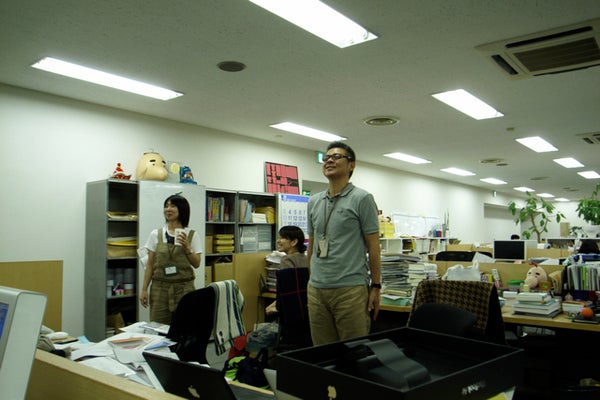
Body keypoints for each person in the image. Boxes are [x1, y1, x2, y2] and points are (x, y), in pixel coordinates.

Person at [306, 141, 381, 345]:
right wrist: (311, 279)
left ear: (351, 165)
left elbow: (374, 247)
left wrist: (376, 286)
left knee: (354, 351)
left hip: (350, 289)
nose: (329, 160)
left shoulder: (362, 198)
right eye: (326, 157)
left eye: (336, 156)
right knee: (322, 352)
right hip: (316, 290)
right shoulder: (314, 201)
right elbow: (312, 244)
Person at [140, 194, 202, 324]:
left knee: (184, 327)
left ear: (182, 209)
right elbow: (150, 265)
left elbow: (197, 264)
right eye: (166, 206)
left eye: (173, 206)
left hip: (184, 289)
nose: (168, 209)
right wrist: (144, 289)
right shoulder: (155, 234)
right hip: (159, 289)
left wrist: (187, 247)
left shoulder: (191, 235)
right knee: (158, 326)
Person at [265, 225, 308, 314]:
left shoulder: (287, 260)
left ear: (294, 242)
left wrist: (276, 306)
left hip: (291, 308)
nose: (278, 241)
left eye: (282, 238)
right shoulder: (306, 258)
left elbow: (287, 290)